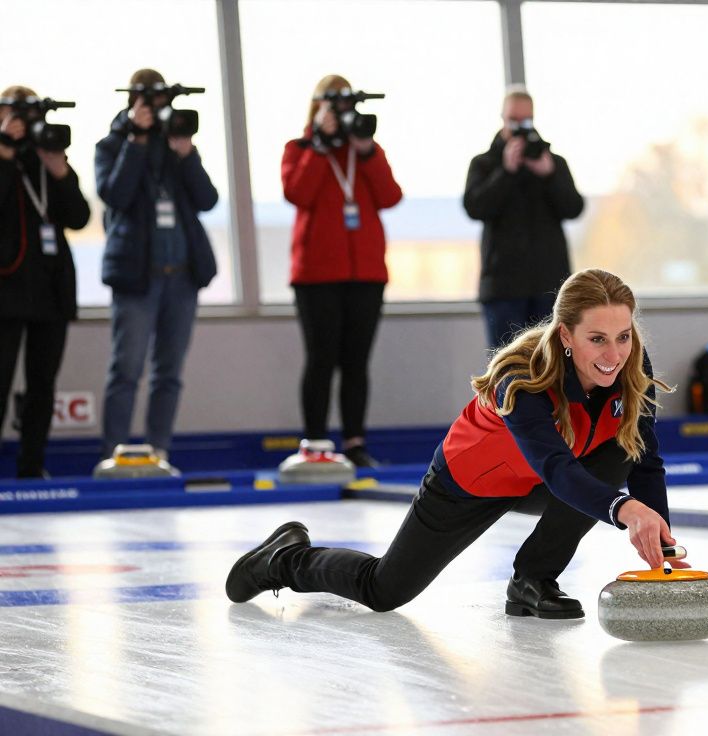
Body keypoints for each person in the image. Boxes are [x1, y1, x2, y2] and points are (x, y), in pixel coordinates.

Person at [226, 268, 680, 618]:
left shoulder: (631, 371)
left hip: (544, 481)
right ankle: (284, 558)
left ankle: (533, 581)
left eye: (622, 337)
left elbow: (645, 462)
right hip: (469, 482)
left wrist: (663, 544)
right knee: (384, 590)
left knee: (626, 449)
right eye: (597, 339)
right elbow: (557, 468)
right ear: (565, 335)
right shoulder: (519, 379)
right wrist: (624, 509)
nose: (613, 355)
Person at [94, 68, 219, 468]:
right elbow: (115, 194)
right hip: (136, 277)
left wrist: (187, 155)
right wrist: (136, 140)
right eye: (148, 104)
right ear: (132, 103)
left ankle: (159, 452)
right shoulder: (111, 145)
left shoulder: (177, 146)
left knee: (169, 373)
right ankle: (113, 454)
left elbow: (207, 199)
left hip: (181, 276)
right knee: (126, 370)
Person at [282, 75, 403, 468]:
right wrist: (319, 146)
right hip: (316, 275)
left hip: (366, 273)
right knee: (321, 359)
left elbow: (390, 196)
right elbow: (297, 193)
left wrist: (366, 151)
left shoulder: (365, 151)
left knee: (356, 362)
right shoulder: (298, 149)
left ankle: (355, 442)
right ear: (316, 108)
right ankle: (315, 442)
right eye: (331, 106)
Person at [0, 86, 91, 478]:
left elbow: (80, 217)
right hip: (6, 292)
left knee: (43, 386)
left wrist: (61, 173)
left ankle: (32, 465)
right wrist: (4, 153)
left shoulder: (47, 159)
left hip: (50, 291)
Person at [463, 87, 584, 350]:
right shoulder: (484, 164)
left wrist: (549, 174)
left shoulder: (553, 163)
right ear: (502, 118)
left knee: (554, 364)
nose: (519, 128)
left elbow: (574, 207)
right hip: (503, 287)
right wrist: (506, 171)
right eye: (513, 121)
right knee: (506, 367)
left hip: (550, 286)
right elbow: (475, 207)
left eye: (525, 121)